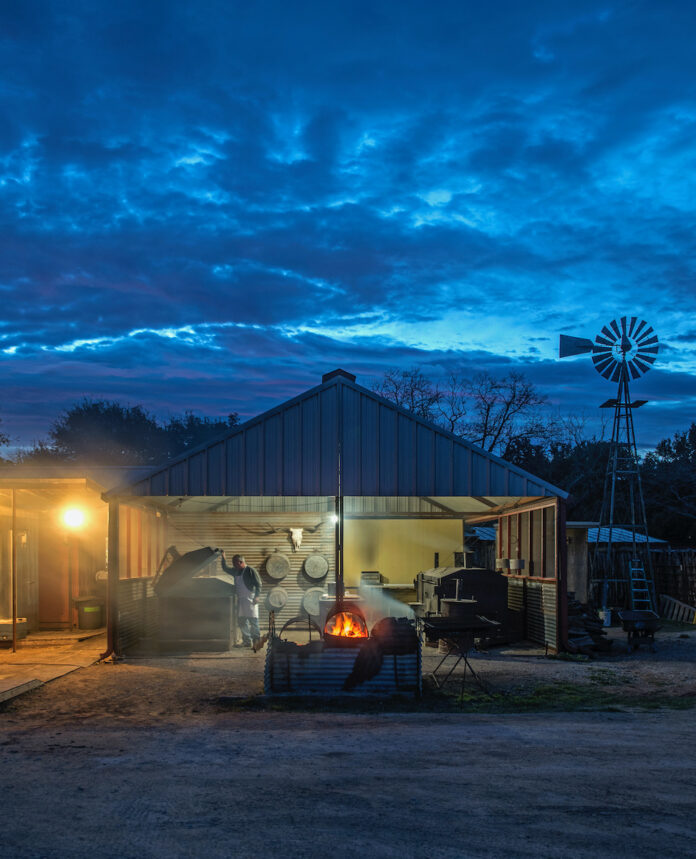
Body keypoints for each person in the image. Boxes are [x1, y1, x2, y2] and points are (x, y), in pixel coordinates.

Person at [221, 552, 262, 649]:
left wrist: (257, 596)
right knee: (242, 621)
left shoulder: (250, 570)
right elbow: (225, 569)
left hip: (250, 599)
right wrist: (223, 558)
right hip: (241, 599)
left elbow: (258, 584)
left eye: (235, 564)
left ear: (240, 562)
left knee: (253, 621)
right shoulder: (236, 571)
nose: (234, 566)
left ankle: (257, 642)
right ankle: (247, 641)